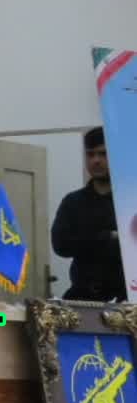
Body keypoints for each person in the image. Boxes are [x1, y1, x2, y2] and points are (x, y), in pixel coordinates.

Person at [52, 127, 128, 302]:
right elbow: (61, 245)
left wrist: (86, 239)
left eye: (103, 154)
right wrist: (108, 237)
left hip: (127, 299)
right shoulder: (73, 202)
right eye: (90, 154)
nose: (96, 160)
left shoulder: (130, 200)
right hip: (83, 296)